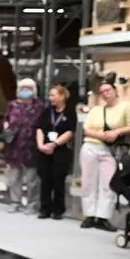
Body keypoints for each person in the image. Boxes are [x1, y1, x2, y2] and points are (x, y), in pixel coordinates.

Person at [79, 80, 130, 230]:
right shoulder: (96, 110)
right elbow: (86, 129)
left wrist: (116, 132)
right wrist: (101, 135)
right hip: (91, 146)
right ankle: (89, 215)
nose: (105, 94)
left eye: (108, 90)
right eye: (102, 92)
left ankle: (103, 217)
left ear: (115, 90)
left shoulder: (126, 106)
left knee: (108, 184)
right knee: (88, 182)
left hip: (110, 150)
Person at [0, 77, 41, 213]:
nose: (25, 91)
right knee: (14, 177)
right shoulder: (12, 105)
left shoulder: (39, 106)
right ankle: (15, 202)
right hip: (14, 146)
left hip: (32, 146)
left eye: (28, 88)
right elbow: (6, 119)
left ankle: (32, 203)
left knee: (32, 178)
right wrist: (7, 129)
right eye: (23, 88)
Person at [35, 84, 76, 220]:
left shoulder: (69, 112)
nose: (50, 98)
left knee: (59, 180)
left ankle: (58, 209)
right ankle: (44, 208)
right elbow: (39, 128)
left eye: (53, 95)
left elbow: (70, 131)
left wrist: (55, 144)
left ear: (62, 96)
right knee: (45, 179)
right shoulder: (47, 111)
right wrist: (41, 145)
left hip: (60, 149)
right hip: (44, 148)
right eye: (50, 95)